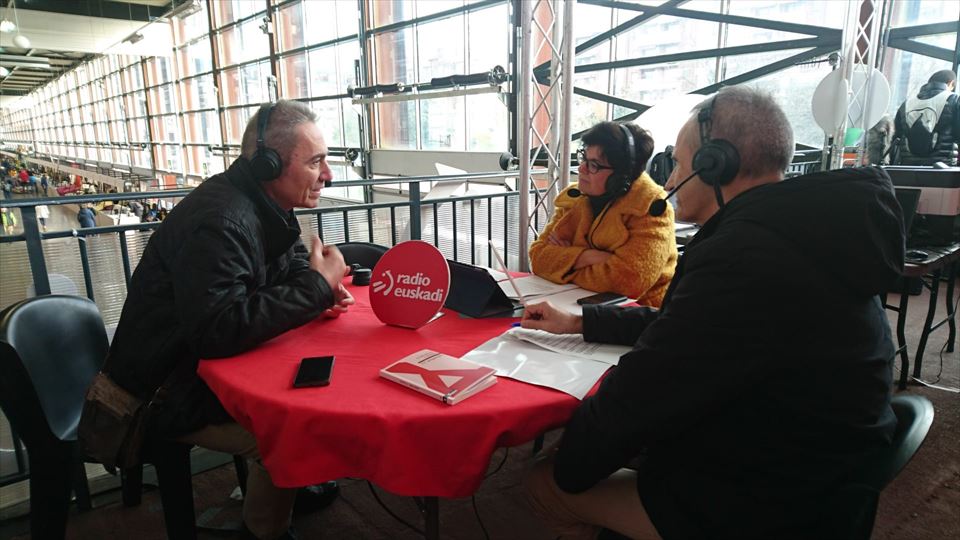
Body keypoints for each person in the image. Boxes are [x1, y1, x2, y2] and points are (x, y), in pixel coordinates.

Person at [521, 86, 903, 539]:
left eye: (679, 164)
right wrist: (581, 322)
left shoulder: (746, 259)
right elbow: (687, 327)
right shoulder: (804, 234)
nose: (668, 182)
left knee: (545, 482)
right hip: (821, 473)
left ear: (715, 164)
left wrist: (570, 461)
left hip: (773, 505)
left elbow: (644, 391)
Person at [96, 100, 353, 540]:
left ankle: (283, 491)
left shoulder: (264, 203)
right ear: (269, 165)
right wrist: (313, 289)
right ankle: (264, 530)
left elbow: (287, 265)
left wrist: (316, 291)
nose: (327, 175)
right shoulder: (222, 221)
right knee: (288, 429)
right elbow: (218, 331)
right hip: (162, 392)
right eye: (315, 162)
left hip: (187, 372)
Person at [529, 122, 677, 306]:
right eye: (583, 158)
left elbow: (627, 282)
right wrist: (588, 256)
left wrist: (565, 260)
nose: (581, 168)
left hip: (637, 320)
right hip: (572, 307)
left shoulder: (652, 208)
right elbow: (538, 258)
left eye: (594, 165)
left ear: (622, 176)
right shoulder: (575, 197)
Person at [893, 69, 959, 165]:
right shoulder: (954, 100)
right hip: (942, 170)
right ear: (951, 83)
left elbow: (896, 137)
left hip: (907, 169)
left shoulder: (906, 104)